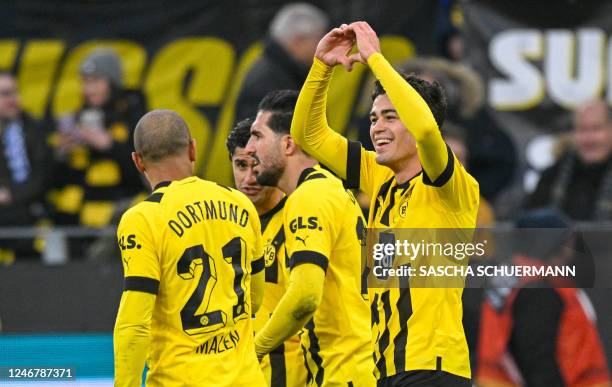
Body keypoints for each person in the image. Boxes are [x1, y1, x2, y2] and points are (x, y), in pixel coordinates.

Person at [291, 22, 479, 385]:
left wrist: (375, 59)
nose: (377, 127)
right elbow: (307, 134)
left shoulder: (451, 185)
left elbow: (425, 130)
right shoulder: (378, 179)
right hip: (386, 368)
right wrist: (322, 66)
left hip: (432, 369)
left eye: (391, 117)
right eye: (374, 118)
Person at [113, 110, 266, 386]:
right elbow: (256, 297)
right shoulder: (240, 203)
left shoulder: (142, 219)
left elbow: (134, 323)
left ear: (138, 161)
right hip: (246, 379)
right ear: (192, 149)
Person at [244, 90, 375, 386]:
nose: (250, 148)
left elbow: (305, 296)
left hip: (344, 372)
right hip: (356, 366)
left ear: (288, 144)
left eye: (257, 136)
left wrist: (253, 350)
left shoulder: (309, 197)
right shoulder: (332, 189)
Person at [477, 209, 611, 387]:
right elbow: (539, 361)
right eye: (565, 240)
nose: (570, 248)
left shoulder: (515, 278)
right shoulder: (539, 289)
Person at [226, 117, 306, 386]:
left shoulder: (302, 217)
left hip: (291, 376)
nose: (250, 178)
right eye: (241, 165)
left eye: (257, 165)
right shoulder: (221, 225)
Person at [50, 48, 146, 228]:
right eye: (85, 82)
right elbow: (56, 181)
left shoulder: (134, 118)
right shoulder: (76, 120)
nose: (88, 89)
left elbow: (146, 174)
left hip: (119, 222)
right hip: (76, 225)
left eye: (95, 81)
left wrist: (109, 145)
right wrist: (61, 154)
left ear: (112, 82)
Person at [234, 3, 329, 122]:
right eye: (318, 40)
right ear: (298, 41)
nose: (324, 48)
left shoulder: (286, 73)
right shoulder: (268, 83)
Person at [526, 99, 612, 221]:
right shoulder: (552, 176)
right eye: (582, 129)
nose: (588, 139)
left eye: (596, 129)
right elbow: (530, 228)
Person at [0, 71, 51, 261]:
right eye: (5, 94)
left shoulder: (32, 129)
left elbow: (42, 177)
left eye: (15, 92)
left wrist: (9, 193)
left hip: (27, 213)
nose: (13, 99)